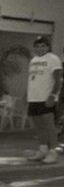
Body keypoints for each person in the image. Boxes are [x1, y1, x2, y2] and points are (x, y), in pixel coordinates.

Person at [26, 36, 62, 164]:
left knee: (49, 126)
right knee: (39, 126)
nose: (40, 48)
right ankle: (43, 149)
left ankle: (53, 152)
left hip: (46, 98)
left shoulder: (53, 59)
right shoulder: (34, 60)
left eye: (43, 46)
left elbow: (58, 80)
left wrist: (53, 95)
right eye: (37, 46)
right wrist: (29, 96)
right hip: (34, 98)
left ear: (48, 47)